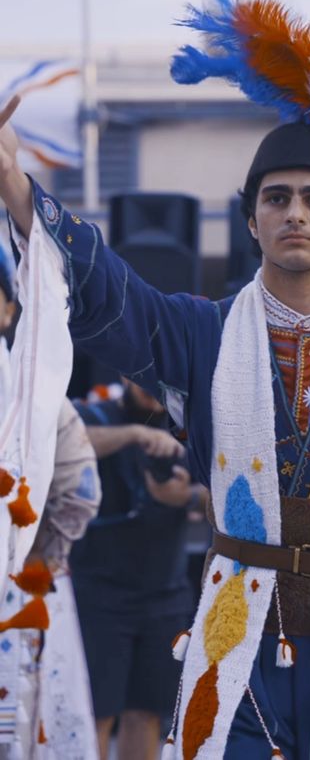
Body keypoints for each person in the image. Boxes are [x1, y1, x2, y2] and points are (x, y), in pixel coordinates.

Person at [0, 0, 310, 760]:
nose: (295, 212)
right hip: (239, 640)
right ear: (251, 219)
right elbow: (117, 299)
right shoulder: (206, 334)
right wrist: (15, 185)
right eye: (277, 197)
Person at [70, 378, 206, 760]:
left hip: (165, 592)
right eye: (143, 379)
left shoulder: (191, 422)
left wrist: (186, 496)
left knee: (147, 713)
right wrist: (131, 435)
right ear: (126, 375)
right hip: (99, 592)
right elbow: (66, 441)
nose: (153, 388)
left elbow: (224, 485)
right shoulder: (98, 412)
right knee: (97, 713)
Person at [0, 244, 101, 758]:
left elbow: (81, 488)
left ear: (7, 307)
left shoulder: (39, 397)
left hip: (18, 596)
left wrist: (38, 558)